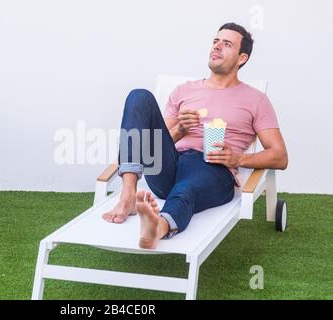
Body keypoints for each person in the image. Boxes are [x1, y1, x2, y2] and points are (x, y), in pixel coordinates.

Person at [102, 22, 289, 250]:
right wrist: (180, 130)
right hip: (169, 167)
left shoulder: (256, 100)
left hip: (213, 170)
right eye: (215, 42)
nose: (217, 47)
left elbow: (280, 157)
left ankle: (159, 226)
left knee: (186, 189)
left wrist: (238, 160)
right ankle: (128, 195)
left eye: (226, 44)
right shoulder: (183, 91)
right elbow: (155, 145)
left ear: (242, 58)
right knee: (139, 97)